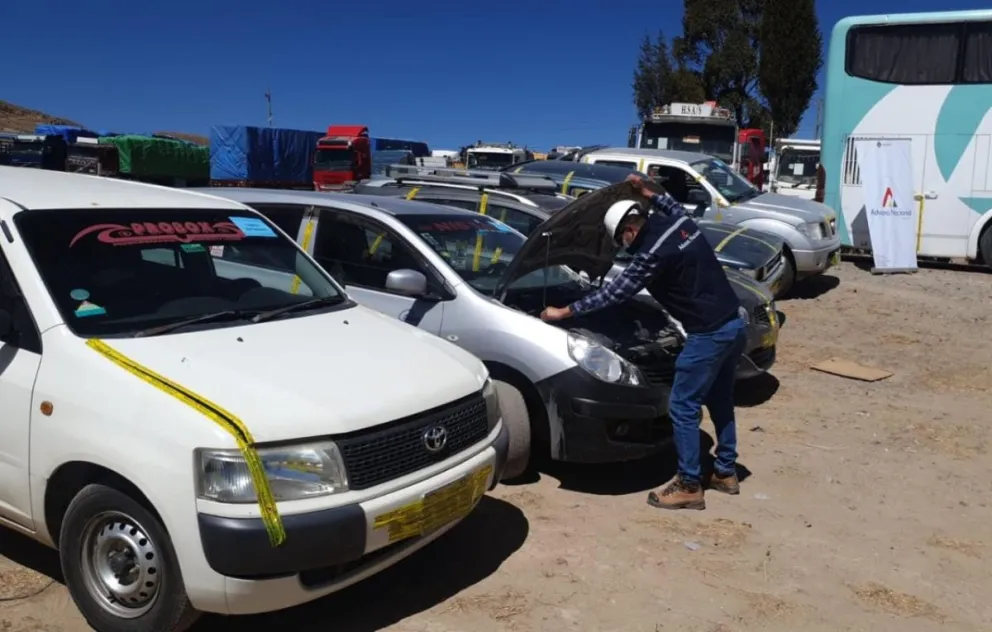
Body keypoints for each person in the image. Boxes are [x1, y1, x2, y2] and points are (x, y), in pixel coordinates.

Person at [540, 175, 748, 510]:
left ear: (630, 230)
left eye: (622, 241)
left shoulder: (652, 254)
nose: (624, 246)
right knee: (720, 399)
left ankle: (689, 483)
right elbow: (672, 204)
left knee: (682, 405)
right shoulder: (681, 224)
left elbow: (614, 293)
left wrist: (564, 311)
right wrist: (648, 190)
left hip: (708, 334)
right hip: (734, 324)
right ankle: (725, 472)